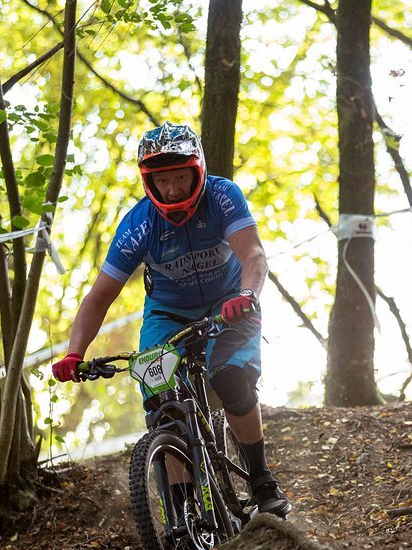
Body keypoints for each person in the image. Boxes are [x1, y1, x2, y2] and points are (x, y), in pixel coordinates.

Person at [52, 121, 290, 518]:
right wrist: (74, 353)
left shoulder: (223, 197)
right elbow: (98, 298)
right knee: (165, 405)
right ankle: (182, 511)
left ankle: (262, 480)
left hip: (230, 303)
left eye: (180, 177)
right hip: (167, 314)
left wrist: (247, 295)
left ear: (197, 170)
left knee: (229, 377)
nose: (173, 190)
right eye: (162, 181)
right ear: (149, 181)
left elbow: (253, 256)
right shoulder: (138, 225)